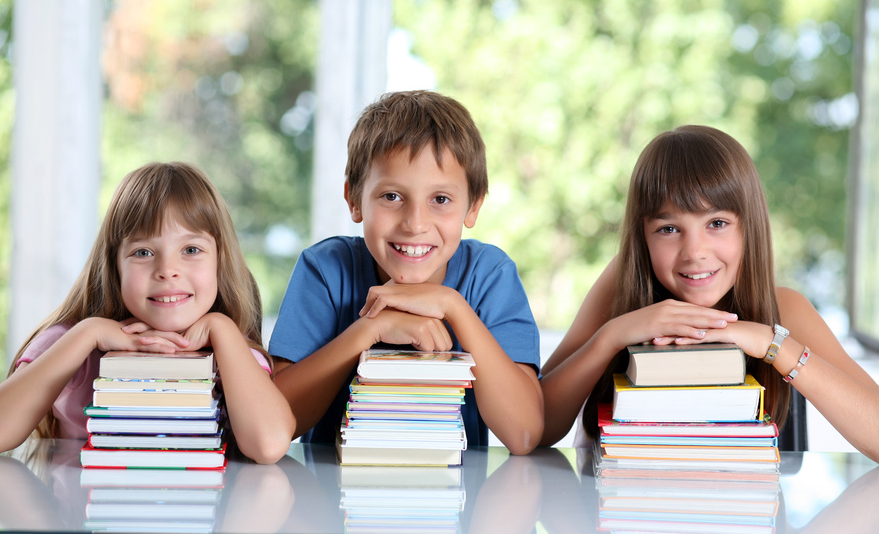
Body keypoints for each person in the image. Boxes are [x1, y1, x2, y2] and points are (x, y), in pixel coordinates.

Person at [539, 125, 879, 460]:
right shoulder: (622, 283)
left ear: (750, 226)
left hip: (749, 510)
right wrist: (611, 335)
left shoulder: (784, 309)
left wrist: (769, 343)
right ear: (642, 236)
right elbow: (538, 425)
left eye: (716, 223)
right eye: (668, 229)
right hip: (622, 504)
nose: (694, 252)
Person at [269, 90, 544, 454]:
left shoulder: (489, 275)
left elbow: (524, 433)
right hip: (332, 497)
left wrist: (453, 306)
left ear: (473, 207)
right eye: (392, 197)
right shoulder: (326, 269)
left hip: (454, 499)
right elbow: (275, 421)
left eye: (440, 200)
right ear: (354, 200)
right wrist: (370, 329)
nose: (415, 224)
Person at [0, 162, 295, 463]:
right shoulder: (71, 341)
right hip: (81, 507)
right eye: (143, 252)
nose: (167, 271)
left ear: (220, 260)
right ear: (115, 267)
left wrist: (221, 327)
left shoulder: (232, 352)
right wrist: (89, 332)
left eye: (191, 250)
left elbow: (269, 445)